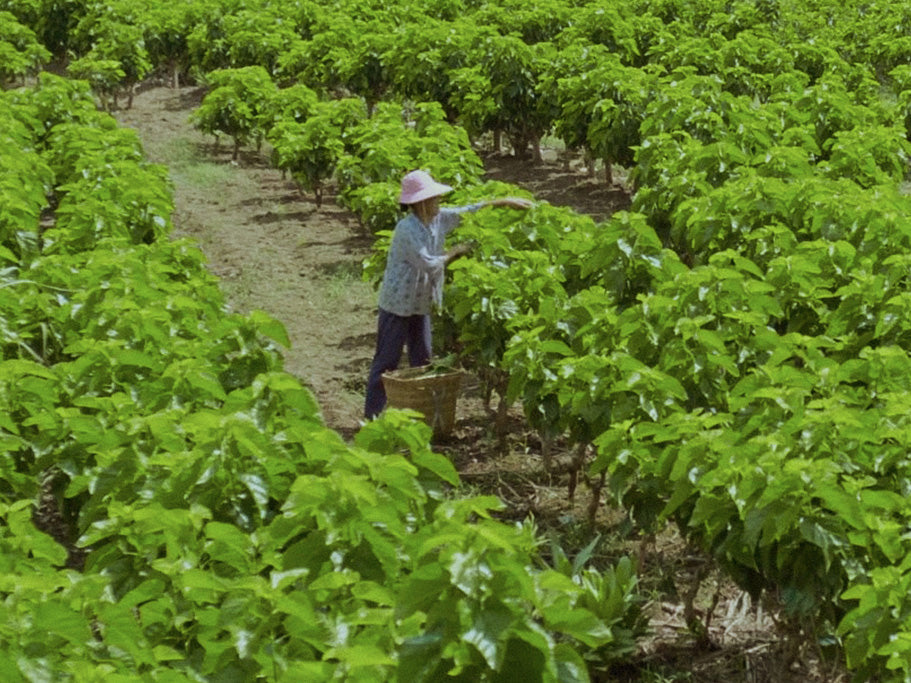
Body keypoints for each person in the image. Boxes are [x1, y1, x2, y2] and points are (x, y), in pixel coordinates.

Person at [364, 169, 532, 419]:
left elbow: (468, 211)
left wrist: (503, 202)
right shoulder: (406, 229)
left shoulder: (438, 219)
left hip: (420, 303)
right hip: (397, 305)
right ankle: (372, 416)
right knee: (387, 360)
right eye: (434, 199)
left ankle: (423, 416)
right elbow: (428, 263)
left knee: (423, 361)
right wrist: (456, 252)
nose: (438, 202)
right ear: (421, 203)